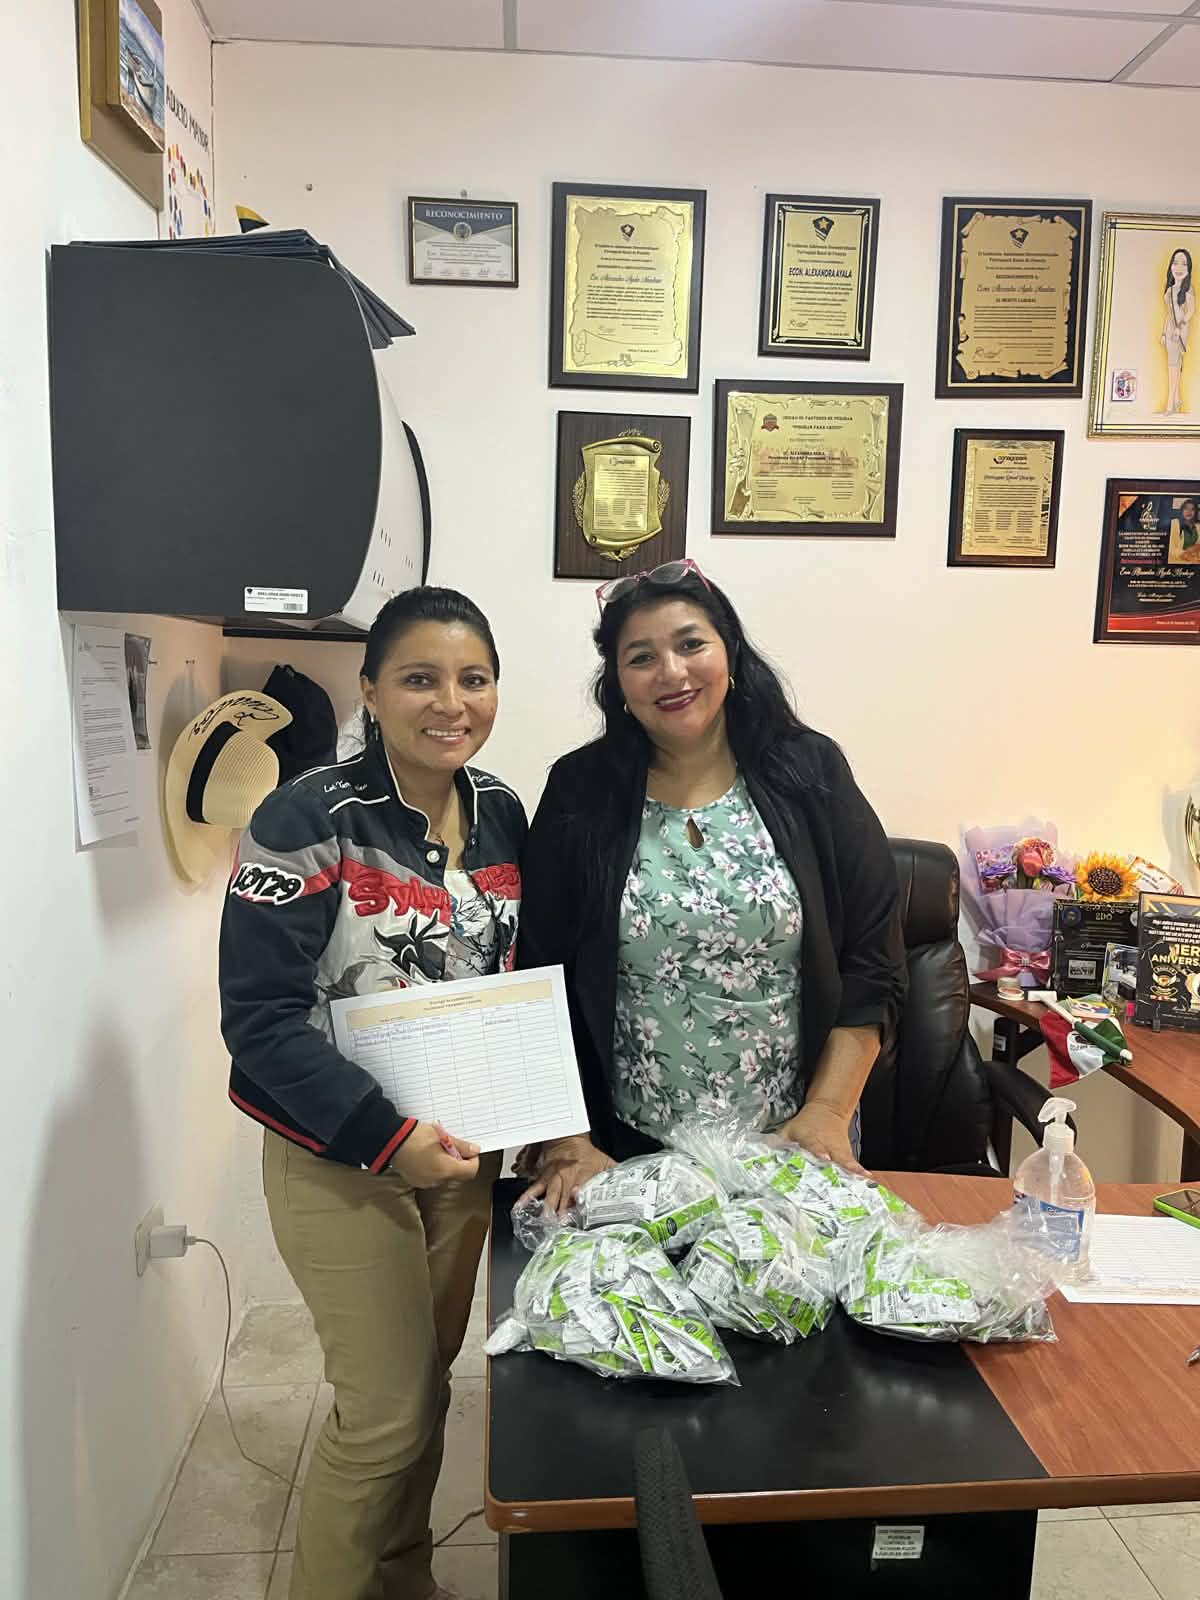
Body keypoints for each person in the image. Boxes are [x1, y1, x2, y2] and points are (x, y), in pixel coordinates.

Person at [219, 587, 526, 1600]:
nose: (451, 702)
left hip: (461, 1153)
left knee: (426, 1392)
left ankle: (402, 1581)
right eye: (420, 678)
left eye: (473, 678)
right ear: (371, 689)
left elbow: (516, 975)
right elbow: (259, 1019)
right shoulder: (306, 815)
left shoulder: (504, 812)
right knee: (384, 1416)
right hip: (341, 1154)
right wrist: (389, 1139)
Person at [517, 559, 906, 1211]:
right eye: (641, 657)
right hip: (627, 1151)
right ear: (617, 681)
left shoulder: (809, 772)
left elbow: (874, 959)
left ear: (730, 650)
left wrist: (829, 1113)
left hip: (795, 1141)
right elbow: (540, 973)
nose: (672, 672)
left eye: (691, 644)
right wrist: (567, 1139)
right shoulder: (580, 791)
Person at [1161, 247, 1195, 416]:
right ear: (1171, 266)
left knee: (1173, 364)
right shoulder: (1169, 290)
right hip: (1169, 328)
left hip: (1180, 329)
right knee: (1175, 363)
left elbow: (1191, 311)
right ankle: (1176, 399)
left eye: (1184, 264)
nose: (1179, 267)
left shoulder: (1188, 290)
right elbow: (1169, 313)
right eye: (1176, 263)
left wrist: (1180, 328)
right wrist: (1163, 332)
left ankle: (1170, 402)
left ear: (1189, 269)